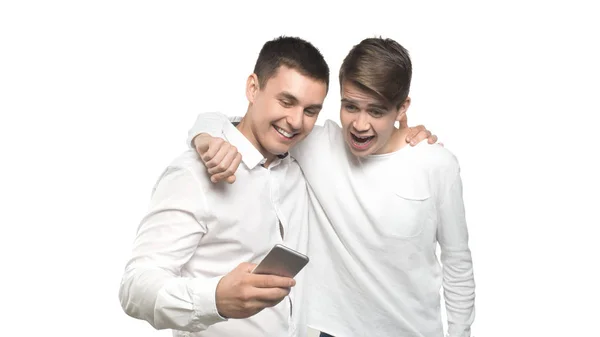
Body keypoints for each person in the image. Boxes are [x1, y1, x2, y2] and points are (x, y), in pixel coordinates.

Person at [188, 37, 475, 337]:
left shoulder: (436, 164)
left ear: (402, 108)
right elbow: (233, 122)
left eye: (376, 111)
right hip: (328, 330)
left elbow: (457, 264)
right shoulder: (314, 144)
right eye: (350, 106)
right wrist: (205, 138)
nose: (360, 125)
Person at [119, 36, 336, 337]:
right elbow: (135, 287)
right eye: (286, 101)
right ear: (252, 88)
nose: (296, 121)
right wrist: (216, 298)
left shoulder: (302, 161)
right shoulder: (193, 175)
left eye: (311, 111)